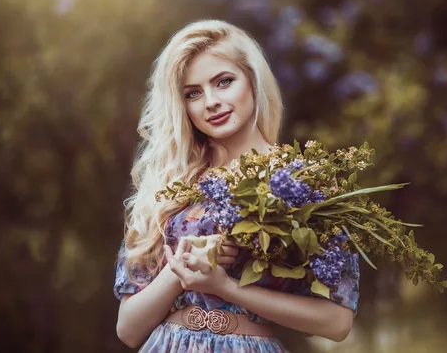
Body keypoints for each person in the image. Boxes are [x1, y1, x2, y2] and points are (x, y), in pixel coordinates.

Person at [114, 20, 360, 352]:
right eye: (193, 93)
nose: (211, 102)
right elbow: (128, 330)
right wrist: (178, 272)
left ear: (253, 81)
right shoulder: (167, 185)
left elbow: (337, 323)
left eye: (224, 82)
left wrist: (226, 286)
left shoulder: (304, 184)